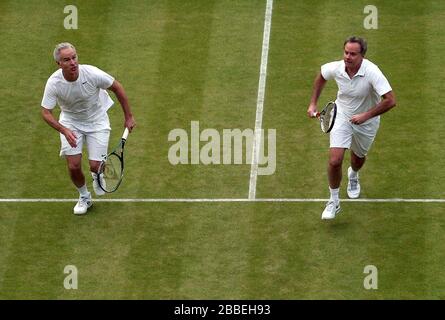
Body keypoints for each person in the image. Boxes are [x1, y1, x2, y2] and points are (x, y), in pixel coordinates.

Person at [41, 42, 136, 215]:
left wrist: (128, 116)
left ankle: (97, 174)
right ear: (59, 64)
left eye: (74, 57)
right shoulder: (54, 83)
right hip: (70, 123)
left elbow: (117, 87)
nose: (73, 63)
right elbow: (46, 113)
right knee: (74, 166)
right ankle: (85, 197)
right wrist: (64, 130)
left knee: (95, 166)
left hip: (97, 122)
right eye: (67, 60)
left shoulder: (92, 73)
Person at [307, 36, 396, 220]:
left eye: (353, 54)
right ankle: (334, 201)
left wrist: (365, 116)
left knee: (357, 159)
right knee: (334, 160)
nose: (348, 56)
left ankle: (353, 174)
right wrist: (313, 104)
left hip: (367, 122)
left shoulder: (372, 72)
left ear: (362, 55)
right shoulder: (337, 68)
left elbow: (391, 100)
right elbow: (322, 76)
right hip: (341, 116)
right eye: (346, 52)